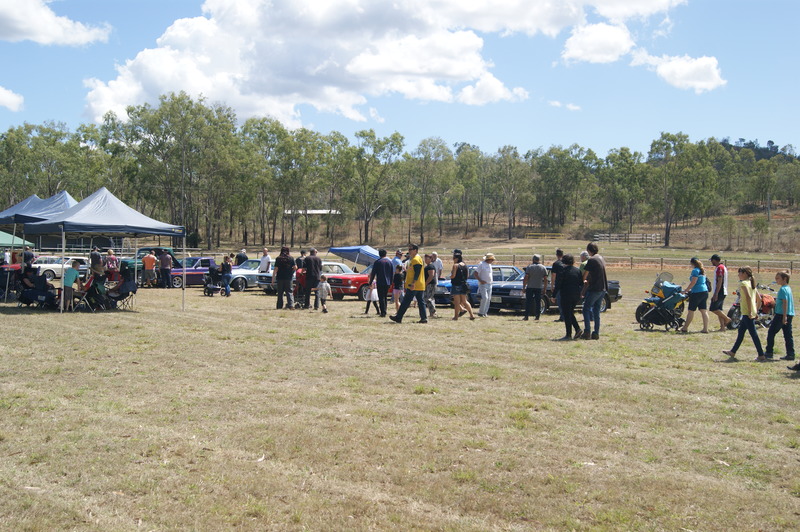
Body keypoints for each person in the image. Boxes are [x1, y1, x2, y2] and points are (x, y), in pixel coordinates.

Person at [723, 267, 765, 361]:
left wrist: (750, 312)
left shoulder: (743, 283)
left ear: (745, 273)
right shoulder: (751, 283)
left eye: (740, 273)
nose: (738, 275)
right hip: (750, 312)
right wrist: (756, 311)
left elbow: (749, 297)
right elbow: (759, 299)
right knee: (741, 332)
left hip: (747, 313)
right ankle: (733, 351)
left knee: (753, 334)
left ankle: (761, 355)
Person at [390, 244, 427, 324]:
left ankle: (398, 317)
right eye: (409, 249)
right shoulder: (413, 259)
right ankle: (424, 318)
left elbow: (417, 272)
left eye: (411, 249)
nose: (409, 251)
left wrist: (413, 283)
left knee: (406, 301)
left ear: (415, 250)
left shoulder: (416, 259)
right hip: (418, 285)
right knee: (421, 302)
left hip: (414, 285)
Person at [580, 243, 608, 340]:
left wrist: (584, 281)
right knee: (596, 311)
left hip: (595, 288)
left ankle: (587, 331)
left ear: (589, 250)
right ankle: (596, 333)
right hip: (603, 288)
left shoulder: (591, 260)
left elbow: (585, 275)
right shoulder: (601, 258)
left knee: (586, 308)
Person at [765, 271, 794, 362]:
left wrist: (784, 316)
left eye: (778, 278)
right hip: (790, 314)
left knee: (771, 332)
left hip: (782, 314)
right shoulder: (788, 288)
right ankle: (790, 354)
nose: (776, 280)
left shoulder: (782, 289)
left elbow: (785, 302)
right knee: (788, 335)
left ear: (784, 279)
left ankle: (769, 352)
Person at [679, 257, 710, 334]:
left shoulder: (695, 271)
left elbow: (693, 282)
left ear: (692, 263)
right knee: (703, 310)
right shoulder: (702, 270)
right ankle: (705, 328)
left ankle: (685, 328)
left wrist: (686, 290)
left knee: (691, 310)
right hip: (704, 291)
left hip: (697, 292)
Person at [557, 254, 583, 340]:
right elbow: (581, 283)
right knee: (569, 313)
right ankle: (577, 329)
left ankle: (568, 334)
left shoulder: (562, 270)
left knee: (566, 314)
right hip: (575, 295)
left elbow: (558, 284)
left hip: (566, 294)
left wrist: (553, 295)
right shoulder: (577, 270)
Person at [449, 249, 475, 321]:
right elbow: (467, 275)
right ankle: (471, 315)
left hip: (456, 284)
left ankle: (456, 317)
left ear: (456, 258)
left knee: (457, 302)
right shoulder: (465, 265)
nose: (453, 260)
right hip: (463, 285)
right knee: (465, 301)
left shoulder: (455, 265)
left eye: (454, 258)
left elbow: (453, 275)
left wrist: (450, 277)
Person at [709, 254, 731, 331]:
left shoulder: (719, 268)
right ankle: (722, 327)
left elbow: (720, 280)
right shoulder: (721, 267)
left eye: (712, 260)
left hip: (720, 291)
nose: (711, 262)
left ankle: (727, 319)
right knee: (719, 309)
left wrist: (716, 293)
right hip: (721, 291)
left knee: (713, 308)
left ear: (715, 260)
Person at [369, 248, 394, 317]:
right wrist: (391, 282)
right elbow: (392, 273)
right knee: (385, 297)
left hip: (380, 281)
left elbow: (373, 273)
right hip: (388, 282)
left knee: (381, 297)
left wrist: (370, 282)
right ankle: (385, 310)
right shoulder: (390, 262)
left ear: (379, 254)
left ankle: (383, 312)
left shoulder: (377, 262)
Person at [523, 254, 548, 321]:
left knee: (528, 302)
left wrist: (524, 287)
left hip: (530, 286)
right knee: (538, 302)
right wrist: (544, 288)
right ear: (538, 260)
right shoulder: (543, 267)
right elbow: (545, 279)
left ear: (533, 260)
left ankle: (526, 316)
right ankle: (537, 316)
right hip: (539, 287)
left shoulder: (529, 267)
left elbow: (526, 277)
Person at [473, 252, 494, 317]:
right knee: (485, 298)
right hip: (483, 284)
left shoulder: (490, 265)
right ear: (488, 259)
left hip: (489, 284)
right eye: (492, 259)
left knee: (488, 299)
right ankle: (481, 312)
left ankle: (485, 312)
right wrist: (480, 280)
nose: (492, 261)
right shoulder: (481, 264)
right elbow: (475, 273)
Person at [550, 249, 565, 322]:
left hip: (559, 285)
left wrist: (552, 285)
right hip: (567, 284)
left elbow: (553, 275)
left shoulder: (556, 264)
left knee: (560, 301)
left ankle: (562, 317)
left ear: (556, 255)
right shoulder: (566, 263)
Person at [423, 253, 437, 318]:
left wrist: (426, 283)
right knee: (427, 298)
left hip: (430, 284)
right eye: (425, 258)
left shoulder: (431, 266)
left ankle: (433, 312)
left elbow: (431, 276)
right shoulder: (427, 266)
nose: (425, 260)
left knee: (428, 298)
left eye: (427, 258)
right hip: (428, 284)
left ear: (431, 259)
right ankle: (432, 312)